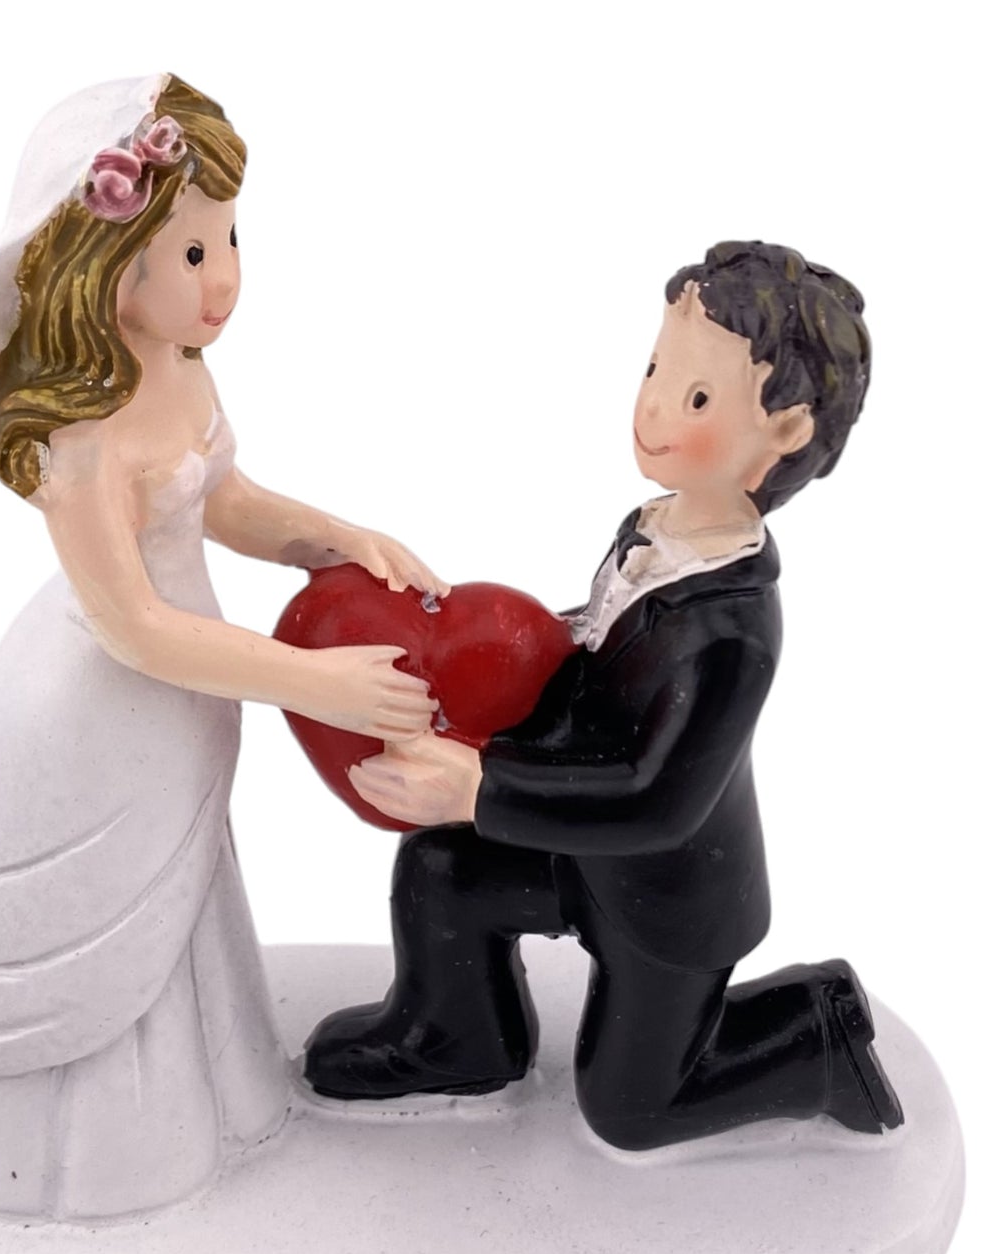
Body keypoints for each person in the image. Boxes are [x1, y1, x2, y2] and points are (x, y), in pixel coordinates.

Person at [0, 74, 444, 1218]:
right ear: (110, 268)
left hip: (185, 695)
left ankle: (216, 1097)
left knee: (181, 889)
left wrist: (334, 538)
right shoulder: (81, 439)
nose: (225, 279)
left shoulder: (182, 370)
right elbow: (135, 627)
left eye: (230, 241)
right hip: (100, 713)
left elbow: (223, 497)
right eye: (194, 254)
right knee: (107, 915)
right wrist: (310, 680)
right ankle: (91, 1158)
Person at [304, 242, 905, 1151]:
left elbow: (655, 800)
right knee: (444, 870)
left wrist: (479, 787)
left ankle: (816, 1033)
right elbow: (599, 640)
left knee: (632, 1109)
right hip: (574, 850)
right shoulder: (653, 530)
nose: (654, 406)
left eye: (695, 399)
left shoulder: (730, 631)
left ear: (783, 430)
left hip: (663, 899)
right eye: (655, 370)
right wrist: (485, 663)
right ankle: (459, 1037)